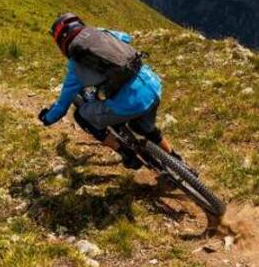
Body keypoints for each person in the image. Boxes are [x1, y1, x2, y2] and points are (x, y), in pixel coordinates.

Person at [38, 12, 176, 169]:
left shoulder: (75, 66)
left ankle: (127, 155)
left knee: (81, 115)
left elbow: (62, 107)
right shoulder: (102, 33)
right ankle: (176, 160)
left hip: (131, 103)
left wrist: (47, 119)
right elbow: (126, 38)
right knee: (144, 127)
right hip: (153, 84)